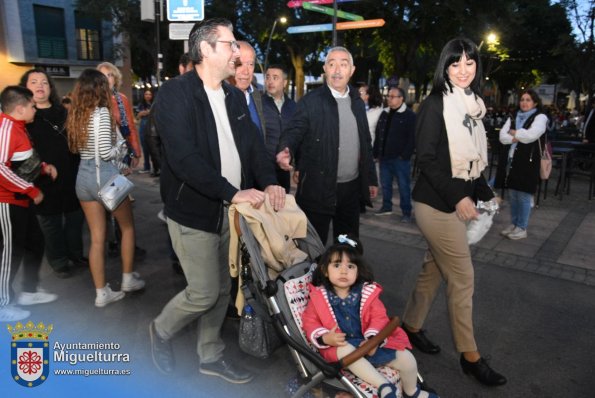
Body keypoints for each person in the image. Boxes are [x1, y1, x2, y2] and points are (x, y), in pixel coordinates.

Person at [149, 18, 286, 383]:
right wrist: (232, 191)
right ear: (206, 49)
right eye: (230, 44)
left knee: (224, 288)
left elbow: (255, 149)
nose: (237, 52)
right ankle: (160, 330)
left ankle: (210, 354)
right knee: (204, 292)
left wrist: (270, 182)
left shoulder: (232, 95)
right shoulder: (175, 94)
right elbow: (183, 159)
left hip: (231, 211)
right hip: (193, 210)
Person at [401, 38, 507, 387]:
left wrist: (485, 193)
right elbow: (427, 160)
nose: (463, 71)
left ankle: (410, 327)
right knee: (463, 278)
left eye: (470, 64)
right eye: (456, 64)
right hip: (435, 205)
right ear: (445, 67)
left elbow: (473, 163)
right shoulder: (435, 104)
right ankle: (471, 357)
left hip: (455, 203)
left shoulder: (473, 106)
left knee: (433, 271)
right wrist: (458, 198)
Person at [301, 236, 438, 398]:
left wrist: (374, 339)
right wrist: (325, 338)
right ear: (325, 270)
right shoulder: (319, 298)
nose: (344, 271)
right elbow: (309, 322)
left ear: (357, 271)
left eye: (350, 266)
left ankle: (411, 390)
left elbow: (379, 317)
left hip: (370, 344)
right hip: (343, 350)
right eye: (337, 265)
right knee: (344, 350)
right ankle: (383, 385)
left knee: (407, 358)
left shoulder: (367, 293)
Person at [277, 46, 378, 245]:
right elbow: (293, 131)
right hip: (317, 190)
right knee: (313, 249)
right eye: (332, 64)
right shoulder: (310, 102)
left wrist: (371, 178)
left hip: (351, 191)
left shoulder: (357, 102)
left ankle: (344, 277)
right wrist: (286, 149)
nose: (337, 70)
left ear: (352, 70)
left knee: (348, 248)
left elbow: (365, 142)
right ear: (325, 69)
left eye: (343, 64)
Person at [66, 69, 145, 307]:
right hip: (106, 177)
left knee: (97, 238)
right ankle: (127, 279)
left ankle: (101, 293)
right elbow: (106, 153)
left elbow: (79, 150)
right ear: (100, 88)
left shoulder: (77, 114)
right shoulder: (101, 113)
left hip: (83, 178)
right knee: (127, 228)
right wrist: (121, 150)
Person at [19, 68, 87, 280]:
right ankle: (58, 261)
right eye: (34, 82)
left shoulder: (64, 111)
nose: (40, 85)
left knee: (75, 218)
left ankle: (76, 255)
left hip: (72, 175)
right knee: (51, 224)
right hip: (43, 179)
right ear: (25, 88)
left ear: (50, 87)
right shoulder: (24, 118)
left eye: (44, 82)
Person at [0, 86, 58, 322]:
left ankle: (29, 291)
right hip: (7, 201)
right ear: (20, 108)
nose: (35, 109)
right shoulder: (6, 128)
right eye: (32, 105)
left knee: (35, 243)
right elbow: (1, 167)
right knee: (9, 254)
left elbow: (21, 158)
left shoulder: (18, 127)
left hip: (20, 200)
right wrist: (31, 190)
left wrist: (43, 168)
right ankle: (3, 304)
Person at [96, 62, 145, 259]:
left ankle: (125, 242)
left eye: (109, 75)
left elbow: (129, 127)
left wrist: (135, 152)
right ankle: (111, 243)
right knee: (103, 204)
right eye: (101, 75)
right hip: (98, 158)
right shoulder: (90, 99)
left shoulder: (121, 99)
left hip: (119, 155)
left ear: (115, 78)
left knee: (120, 198)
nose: (106, 79)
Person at [495, 89, 548, 240]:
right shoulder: (514, 116)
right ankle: (514, 224)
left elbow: (532, 135)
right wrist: (516, 136)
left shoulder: (540, 117)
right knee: (513, 194)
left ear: (535, 102)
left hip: (529, 161)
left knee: (524, 195)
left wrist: (514, 133)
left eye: (528, 100)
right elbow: (502, 137)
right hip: (512, 160)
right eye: (522, 99)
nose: (524, 102)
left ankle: (522, 227)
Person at [373, 86, 416, 222]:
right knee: (385, 184)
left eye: (392, 96)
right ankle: (386, 206)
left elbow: (413, 138)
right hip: (384, 157)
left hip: (400, 160)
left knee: (404, 186)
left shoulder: (409, 115)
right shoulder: (384, 113)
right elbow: (379, 134)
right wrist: (376, 153)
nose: (389, 99)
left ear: (401, 98)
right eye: (388, 96)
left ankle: (406, 212)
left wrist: (405, 155)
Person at [262, 64, 297, 192]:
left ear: (284, 82)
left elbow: (297, 137)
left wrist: (296, 166)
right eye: (268, 77)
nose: (270, 81)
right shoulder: (258, 104)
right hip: (262, 170)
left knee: (281, 208)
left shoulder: (293, 107)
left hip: (283, 171)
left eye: (275, 77)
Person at [234, 41, 266, 142]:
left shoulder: (257, 95)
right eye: (239, 64)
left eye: (250, 64)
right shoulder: (219, 97)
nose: (246, 71)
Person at [136, 90, 159, 176]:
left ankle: (156, 168)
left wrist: (144, 113)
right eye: (146, 94)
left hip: (153, 128)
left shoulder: (155, 104)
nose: (148, 96)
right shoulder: (141, 105)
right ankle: (146, 167)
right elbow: (138, 116)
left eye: (150, 94)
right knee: (145, 148)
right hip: (143, 128)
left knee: (153, 149)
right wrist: (142, 113)